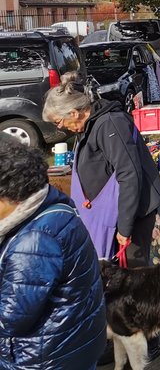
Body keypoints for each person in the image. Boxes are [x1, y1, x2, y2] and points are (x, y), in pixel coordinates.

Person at [42, 73, 160, 362]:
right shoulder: (90, 125)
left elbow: (130, 175)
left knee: (134, 279)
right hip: (112, 212)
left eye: (59, 121)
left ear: (75, 112)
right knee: (119, 282)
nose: (59, 127)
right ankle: (125, 339)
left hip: (132, 213)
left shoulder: (110, 123)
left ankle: (148, 342)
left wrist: (124, 227)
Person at [0, 138, 107, 370]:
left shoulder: (34, 240)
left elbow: (11, 318)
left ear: (10, 195)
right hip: (73, 340)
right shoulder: (53, 208)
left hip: (44, 355)